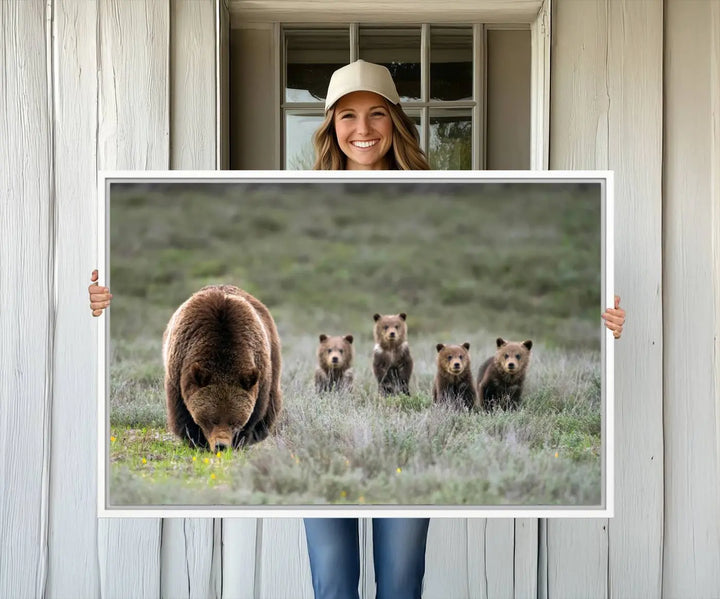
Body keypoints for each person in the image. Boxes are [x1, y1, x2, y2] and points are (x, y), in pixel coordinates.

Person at [88, 60, 626, 599]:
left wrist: (607, 321)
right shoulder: (297, 198)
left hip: (406, 443)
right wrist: (103, 302)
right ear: (330, 125)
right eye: (347, 116)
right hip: (321, 437)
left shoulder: (441, 196)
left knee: (400, 580)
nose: (362, 130)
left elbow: (506, 253)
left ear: (396, 121)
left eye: (376, 115)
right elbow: (241, 279)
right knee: (333, 582)